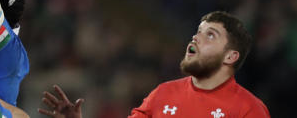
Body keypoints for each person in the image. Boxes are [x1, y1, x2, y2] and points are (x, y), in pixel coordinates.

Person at [39, 11, 271, 118]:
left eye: (210, 35)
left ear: (230, 57)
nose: (196, 38)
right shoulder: (163, 94)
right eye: (197, 32)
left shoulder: (248, 109)